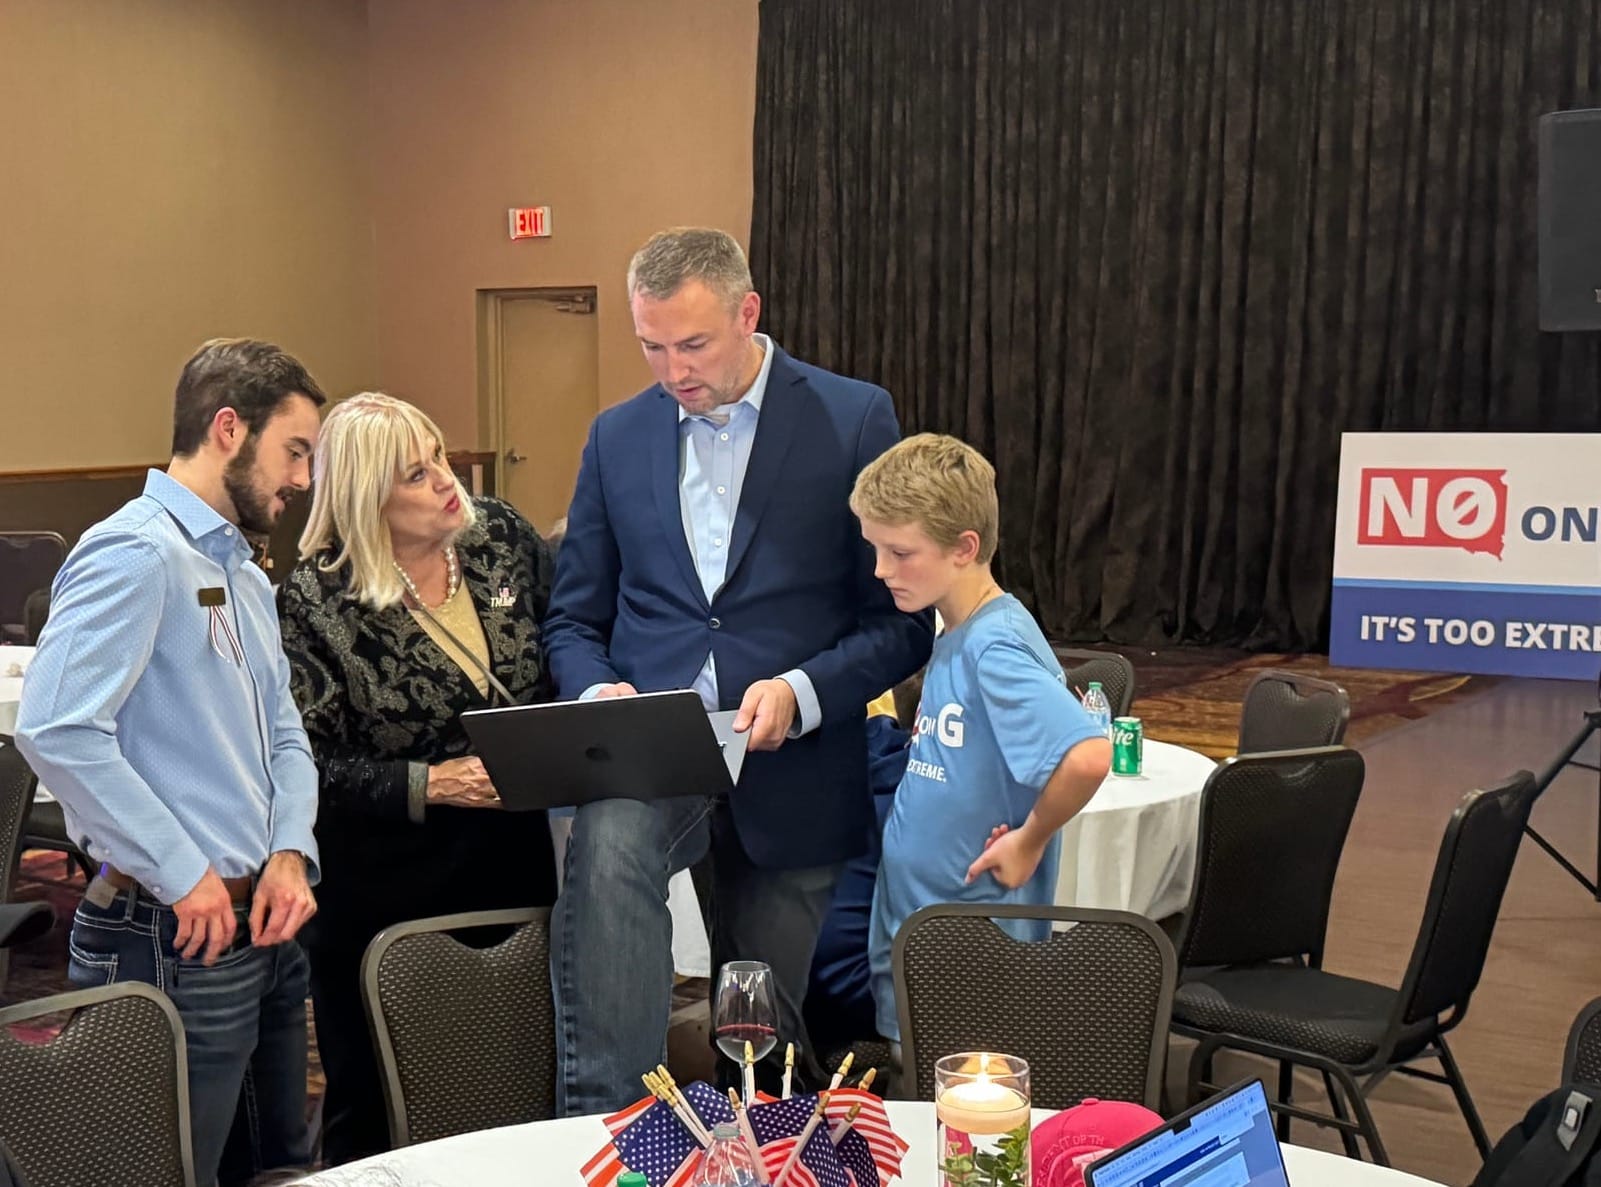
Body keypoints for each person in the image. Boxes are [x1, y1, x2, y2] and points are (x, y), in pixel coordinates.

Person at [543, 226, 933, 1113]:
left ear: (747, 313)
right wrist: (596, 688)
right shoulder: (615, 437)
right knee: (608, 842)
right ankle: (604, 1129)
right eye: (650, 345)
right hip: (656, 748)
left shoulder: (852, 416)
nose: (672, 369)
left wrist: (801, 692)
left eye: (693, 343)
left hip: (792, 761)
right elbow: (573, 617)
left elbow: (900, 624)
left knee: (758, 1029)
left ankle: (761, 1150)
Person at [15, 338, 325, 1187]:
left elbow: (285, 735)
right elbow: (57, 727)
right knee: (164, 1170)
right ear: (229, 428)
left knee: (281, 1169)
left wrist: (290, 850)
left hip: (262, 920)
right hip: (169, 927)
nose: (302, 478)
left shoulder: (243, 571)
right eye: (293, 450)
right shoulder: (136, 553)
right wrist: (184, 869)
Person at [275, 393, 559, 1163]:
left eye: (438, 454)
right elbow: (305, 762)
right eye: (415, 473)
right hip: (382, 882)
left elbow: (566, 634)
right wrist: (430, 784)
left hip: (513, 859)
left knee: (511, 1079)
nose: (446, 480)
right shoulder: (316, 598)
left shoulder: (499, 537)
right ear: (368, 499)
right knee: (378, 1101)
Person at [849, 433, 1112, 1043]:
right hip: (933, 939)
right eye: (876, 550)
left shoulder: (994, 645)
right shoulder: (963, 631)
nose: (881, 570)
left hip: (970, 958)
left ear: (965, 547)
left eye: (900, 552)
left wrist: (1030, 839)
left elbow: (1089, 755)